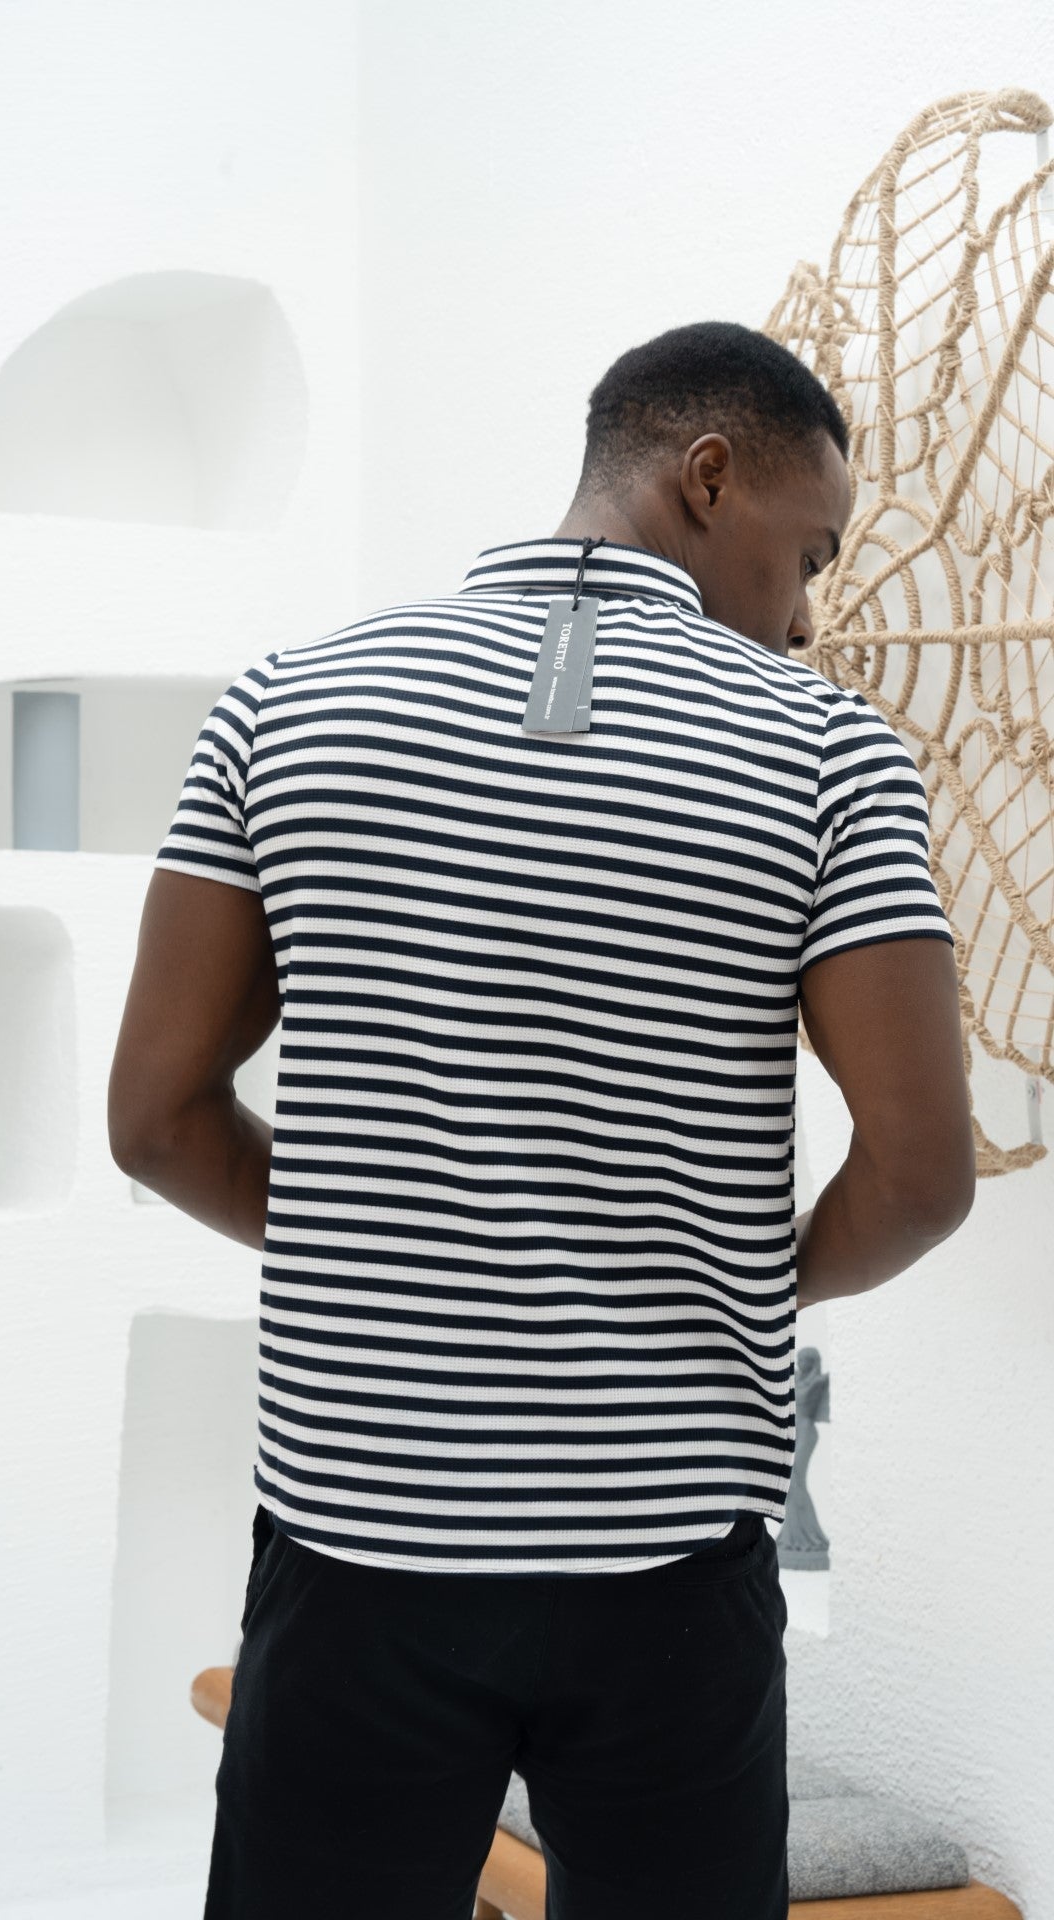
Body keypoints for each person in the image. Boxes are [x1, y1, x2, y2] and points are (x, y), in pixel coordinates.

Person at [108, 320, 975, 1920]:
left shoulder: (283, 705)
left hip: (357, 1543)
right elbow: (923, 1177)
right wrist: (730, 1271)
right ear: (706, 477)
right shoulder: (827, 752)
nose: (805, 616)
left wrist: (376, 1237)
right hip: (670, 1571)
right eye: (807, 555)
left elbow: (158, 1120)